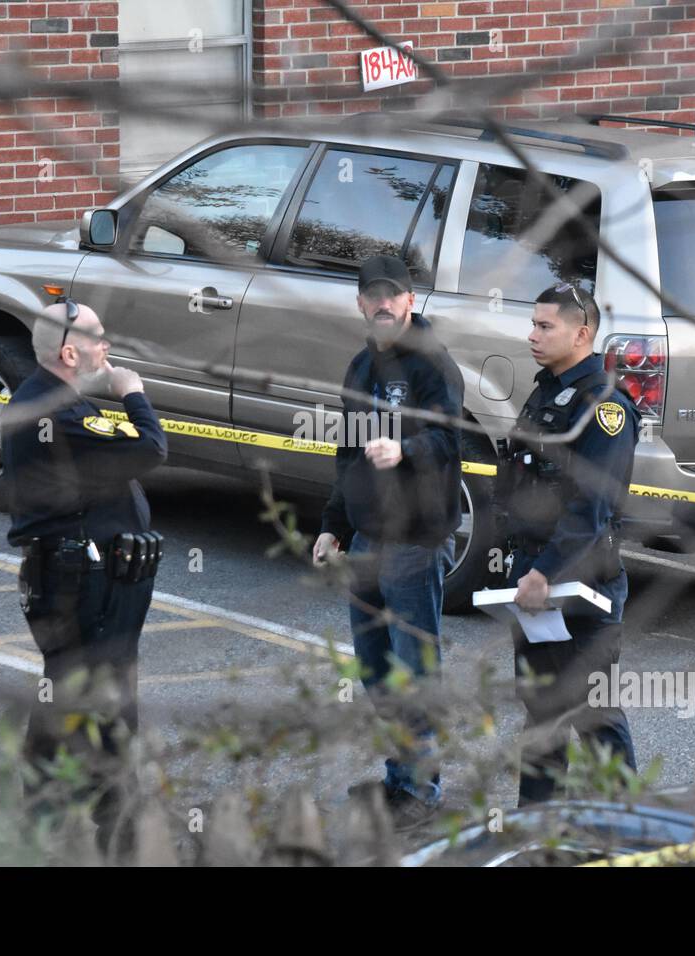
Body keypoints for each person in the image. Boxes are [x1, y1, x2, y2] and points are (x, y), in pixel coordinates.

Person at [2, 297, 168, 845]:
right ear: (70, 352)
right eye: (99, 337)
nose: (108, 346)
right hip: (84, 583)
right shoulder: (60, 413)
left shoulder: (44, 403)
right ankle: (112, 833)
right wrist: (133, 393)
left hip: (77, 577)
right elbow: (150, 447)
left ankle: (53, 826)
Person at [312, 254, 463, 830]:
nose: (382, 304)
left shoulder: (434, 366)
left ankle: (423, 792)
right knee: (376, 670)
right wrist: (333, 525)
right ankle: (400, 779)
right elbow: (347, 454)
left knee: (413, 669)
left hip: (416, 541)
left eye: (392, 295)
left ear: (410, 300)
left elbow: (451, 438)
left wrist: (406, 451)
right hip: (369, 540)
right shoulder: (359, 367)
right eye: (371, 296)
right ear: (360, 303)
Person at [501, 281, 639, 805]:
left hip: (581, 583)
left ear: (581, 334)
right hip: (535, 576)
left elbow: (591, 507)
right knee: (541, 714)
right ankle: (537, 830)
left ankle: (630, 833)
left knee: (595, 716)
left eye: (544, 326)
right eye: (533, 324)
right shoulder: (547, 390)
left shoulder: (604, 407)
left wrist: (547, 573)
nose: (532, 335)